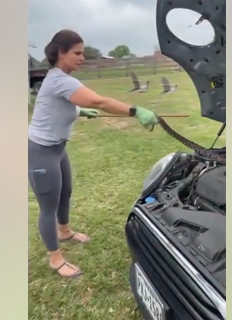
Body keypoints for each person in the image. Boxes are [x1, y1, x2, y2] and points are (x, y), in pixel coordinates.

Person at [28, 29, 159, 278]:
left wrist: (79, 111)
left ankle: (64, 231)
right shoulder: (59, 80)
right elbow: (98, 101)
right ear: (61, 53)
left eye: (83, 52)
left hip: (57, 148)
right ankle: (55, 258)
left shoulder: (59, 78)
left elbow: (64, 104)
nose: (82, 57)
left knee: (65, 192)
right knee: (48, 206)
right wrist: (135, 110)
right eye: (77, 52)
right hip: (40, 151)